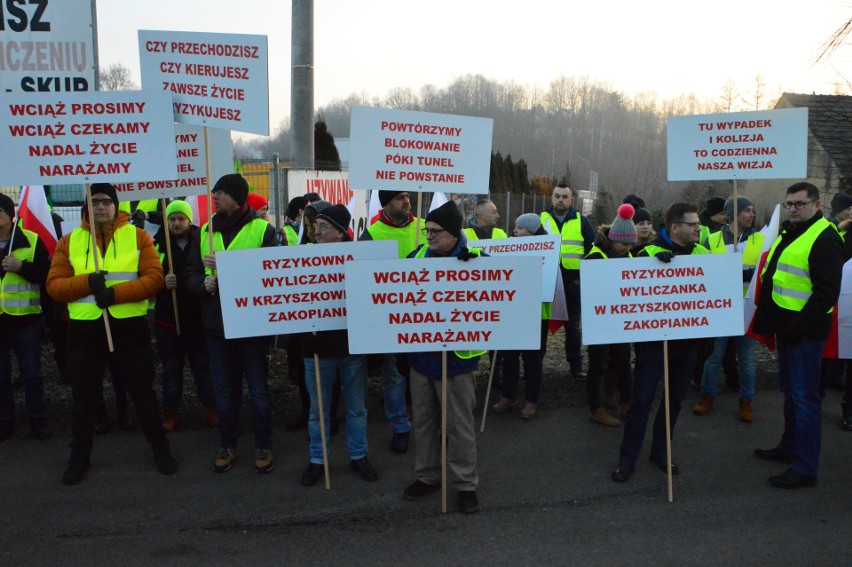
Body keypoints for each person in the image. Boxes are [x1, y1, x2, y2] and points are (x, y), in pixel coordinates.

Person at [46, 183, 176, 485]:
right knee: (83, 400)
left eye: (106, 201)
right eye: (95, 201)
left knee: (143, 394)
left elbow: (154, 278)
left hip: (129, 330)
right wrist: (87, 284)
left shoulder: (138, 236)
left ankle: (161, 450)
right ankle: (79, 457)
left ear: (116, 206)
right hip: (84, 333)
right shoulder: (69, 242)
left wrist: (115, 294)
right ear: (86, 207)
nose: (101, 206)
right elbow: (54, 286)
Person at [185, 174, 278, 474]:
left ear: (237, 198)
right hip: (216, 326)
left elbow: (271, 276)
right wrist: (203, 286)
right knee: (224, 391)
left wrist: (225, 270)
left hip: (251, 326)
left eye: (222, 192)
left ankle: (263, 444)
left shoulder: (264, 230)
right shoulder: (205, 231)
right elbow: (191, 274)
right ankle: (228, 443)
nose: (215, 196)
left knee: (259, 389)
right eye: (215, 191)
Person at [752, 182, 844, 488]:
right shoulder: (790, 232)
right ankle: (789, 447)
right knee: (792, 395)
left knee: (805, 399)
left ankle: (805, 468)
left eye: (800, 204)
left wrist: (796, 329)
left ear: (816, 206)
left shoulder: (825, 238)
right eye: (789, 203)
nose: (793, 208)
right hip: (789, 332)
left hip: (804, 334)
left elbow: (826, 294)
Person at [611, 202, 709, 482]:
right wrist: (652, 267)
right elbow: (625, 287)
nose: (698, 229)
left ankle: (661, 451)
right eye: (692, 224)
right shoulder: (647, 252)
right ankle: (627, 458)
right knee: (642, 400)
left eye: (698, 224)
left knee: (675, 400)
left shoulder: (704, 253)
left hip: (688, 342)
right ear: (675, 227)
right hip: (655, 342)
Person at [402, 201, 485, 514]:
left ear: (454, 233)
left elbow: (496, 297)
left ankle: (465, 484)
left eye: (436, 232)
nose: (429, 237)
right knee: (423, 423)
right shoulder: (416, 257)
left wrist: (473, 269)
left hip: (457, 362)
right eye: (427, 231)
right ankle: (427, 475)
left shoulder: (477, 261)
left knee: (459, 428)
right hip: (421, 359)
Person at [300, 204, 377, 486]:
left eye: (324, 226)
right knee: (317, 411)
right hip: (315, 349)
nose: (316, 231)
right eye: (315, 225)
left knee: (356, 408)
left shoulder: (358, 260)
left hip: (350, 348)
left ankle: (358, 456)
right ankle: (317, 460)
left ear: (340, 234)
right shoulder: (301, 258)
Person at [358, 190, 419, 453]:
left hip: (426, 317)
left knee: (426, 374)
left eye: (407, 196)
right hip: (391, 320)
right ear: (385, 204)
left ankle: (435, 426)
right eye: (399, 198)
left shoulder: (425, 228)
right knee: (394, 376)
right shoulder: (371, 235)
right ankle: (400, 427)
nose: (406, 201)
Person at [694, 196, 764, 422]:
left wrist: (742, 274)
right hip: (719, 308)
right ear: (733, 213)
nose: (752, 215)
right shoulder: (712, 240)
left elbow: (765, 272)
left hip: (746, 308)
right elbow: (700, 272)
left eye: (752, 211)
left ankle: (746, 400)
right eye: (748, 211)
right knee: (713, 357)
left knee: (746, 359)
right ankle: (707, 395)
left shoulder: (761, 240)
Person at [152, 200, 217, 432]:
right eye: (172, 219)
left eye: (181, 218)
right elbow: (145, 276)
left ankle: (211, 407)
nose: (176, 223)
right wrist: (161, 282)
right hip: (166, 319)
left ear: (190, 220)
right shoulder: (156, 244)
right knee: (171, 369)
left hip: (198, 318)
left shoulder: (202, 241)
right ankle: (170, 410)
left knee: (203, 366)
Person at [0, 193, 52, 441]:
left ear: (11, 216)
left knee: (31, 374)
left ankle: (38, 420)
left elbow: (47, 276)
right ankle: (5, 420)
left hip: (25, 320)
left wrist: (21, 268)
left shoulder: (31, 240)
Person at [491, 213, 550, 420]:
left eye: (520, 228)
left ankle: (531, 400)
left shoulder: (548, 250)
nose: (515, 231)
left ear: (531, 232)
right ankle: (508, 395)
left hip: (536, 314)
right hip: (513, 311)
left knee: (533, 359)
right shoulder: (509, 248)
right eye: (515, 227)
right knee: (509, 356)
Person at [584, 204, 636, 427]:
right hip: (599, 322)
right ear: (612, 239)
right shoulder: (594, 257)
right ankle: (596, 408)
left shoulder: (630, 257)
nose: (627, 247)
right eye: (624, 243)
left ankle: (626, 403)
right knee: (596, 365)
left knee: (624, 361)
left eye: (630, 243)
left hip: (620, 321)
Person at [540, 184, 595, 381]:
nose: (560, 200)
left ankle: (576, 366)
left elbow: (593, 249)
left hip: (573, 283)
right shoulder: (541, 220)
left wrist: (584, 277)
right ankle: (536, 366)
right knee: (541, 325)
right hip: (546, 283)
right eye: (557, 196)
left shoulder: (581, 221)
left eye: (565, 196)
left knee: (573, 328)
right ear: (551, 198)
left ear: (571, 200)